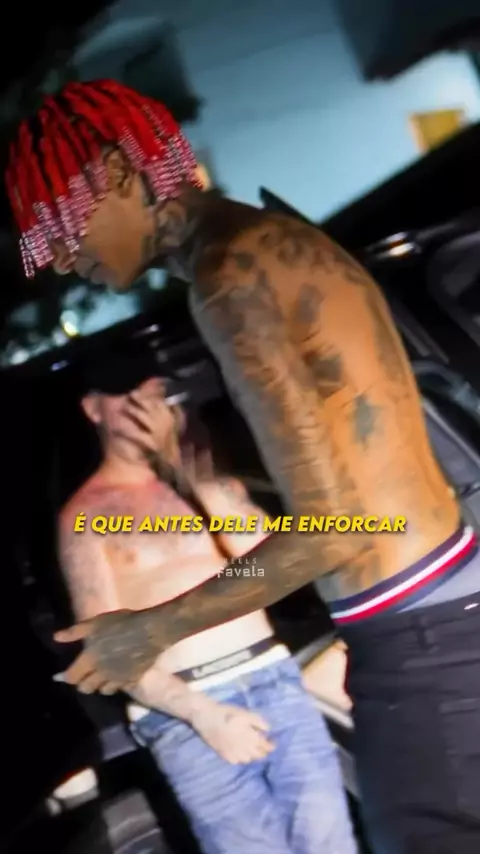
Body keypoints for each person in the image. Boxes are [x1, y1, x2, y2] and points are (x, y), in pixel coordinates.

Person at [6, 79, 480, 853]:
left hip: (419, 635)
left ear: (119, 176)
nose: (59, 258)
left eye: (59, 223)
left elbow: (330, 531)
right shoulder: (276, 235)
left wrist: (151, 628)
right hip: (445, 602)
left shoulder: (229, 278)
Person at [57, 357, 357, 854]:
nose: (144, 409)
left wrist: (184, 466)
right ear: (94, 409)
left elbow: (270, 561)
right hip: (186, 715)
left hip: (274, 683)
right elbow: (109, 650)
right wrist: (203, 715)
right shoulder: (86, 515)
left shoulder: (210, 485)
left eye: (154, 395)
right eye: (128, 398)